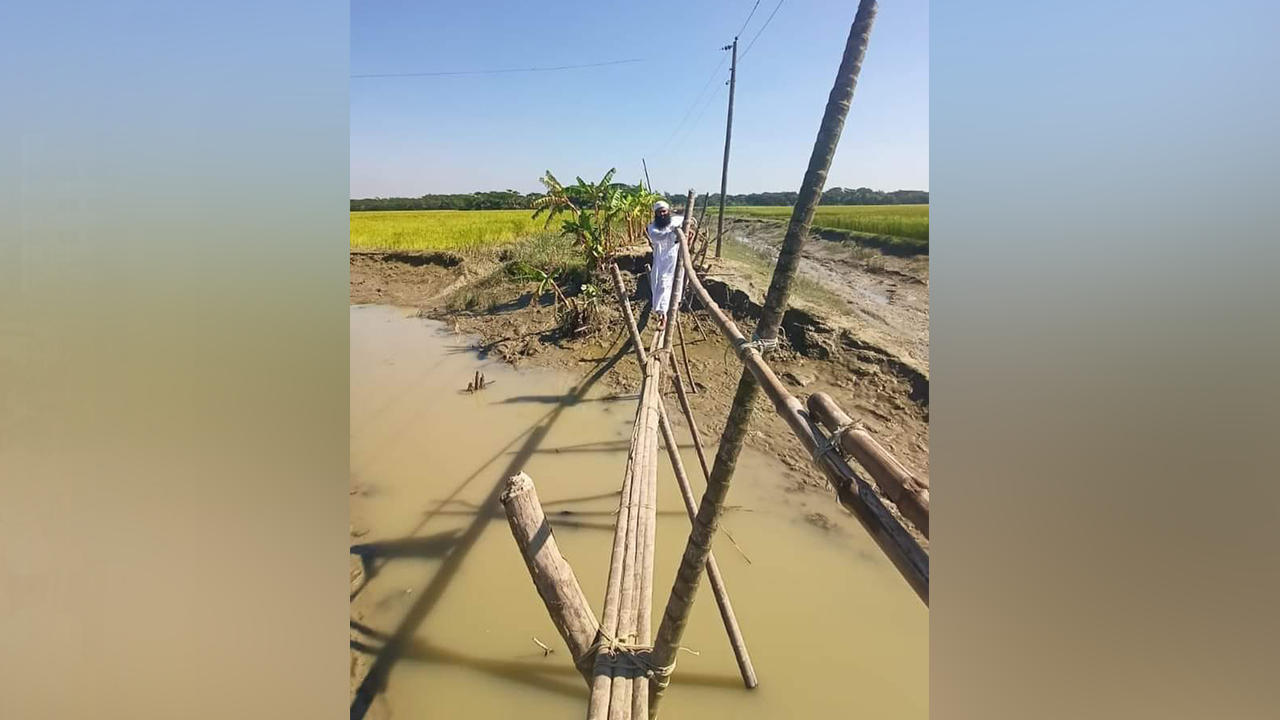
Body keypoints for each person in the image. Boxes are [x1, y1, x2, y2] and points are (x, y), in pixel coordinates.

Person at [645, 200, 693, 330]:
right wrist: (675, 233)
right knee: (661, 284)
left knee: (677, 282)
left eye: (664, 211)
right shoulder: (652, 227)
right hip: (661, 261)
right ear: (655, 213)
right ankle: (662, 315)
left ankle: (674, 306)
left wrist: (688, 228)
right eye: (659, 212)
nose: (662, 214)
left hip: (677, 258)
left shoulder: (675, 221)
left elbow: (689, 219)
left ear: (668, 212)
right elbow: (659, 237)